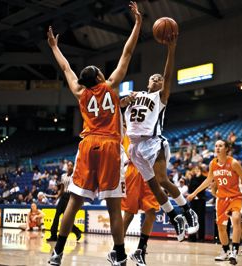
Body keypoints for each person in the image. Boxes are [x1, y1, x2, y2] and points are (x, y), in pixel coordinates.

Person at [47, 2, 142, 265]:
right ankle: (120, 255)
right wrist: (137, 24)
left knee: (73, 203)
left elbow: (66, 68)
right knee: (113, 207)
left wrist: (55, 47)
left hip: (88, 145)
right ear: (100, 76)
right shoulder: (111, 86)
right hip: (111, 146)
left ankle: (57, 253)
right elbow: (127, 52)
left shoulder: (80, 93)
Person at [124, 26, 198, 242]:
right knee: (154, 185)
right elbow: (117, 105)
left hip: (153, 142)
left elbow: (167, 73)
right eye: (153, 78)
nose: (157, 79)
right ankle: (175, 217)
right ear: (147, 83)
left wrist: (171, 50)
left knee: (163, 180)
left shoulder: (160, 98)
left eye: (159, 78)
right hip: (134, 148)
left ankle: (187, 210)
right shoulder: (134, 95)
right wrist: (124, 101)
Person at [187, 140, 242, 264]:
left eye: (221, 146)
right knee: (221, 226)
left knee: (236, 218)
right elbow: (208, 180)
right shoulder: (213, 164)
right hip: (222, 198)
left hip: (237, 196)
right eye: (216, 146)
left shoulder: (234, 163)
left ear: (226, 149)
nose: (217, 148)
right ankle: (225, 251)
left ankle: (234, 252)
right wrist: (194, 193)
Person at [121, 135, 159, 266]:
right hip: (133, 171)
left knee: (152, 213)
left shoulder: (152, 129)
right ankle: (118, 250)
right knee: (128, 215)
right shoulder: (124, 135)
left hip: (149, 171)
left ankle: (140, 251)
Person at [46, 161, 82, 242]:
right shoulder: (63, 176)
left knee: (67, 218)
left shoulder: (75, 176)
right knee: (56, 216)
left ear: (73, 167)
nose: (69, 167)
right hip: (63, 197)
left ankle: (77, 231)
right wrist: (57, 197)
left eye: (71, 165)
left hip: (70, 197)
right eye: (68, 165)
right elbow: (61, 189)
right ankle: (53, 235)